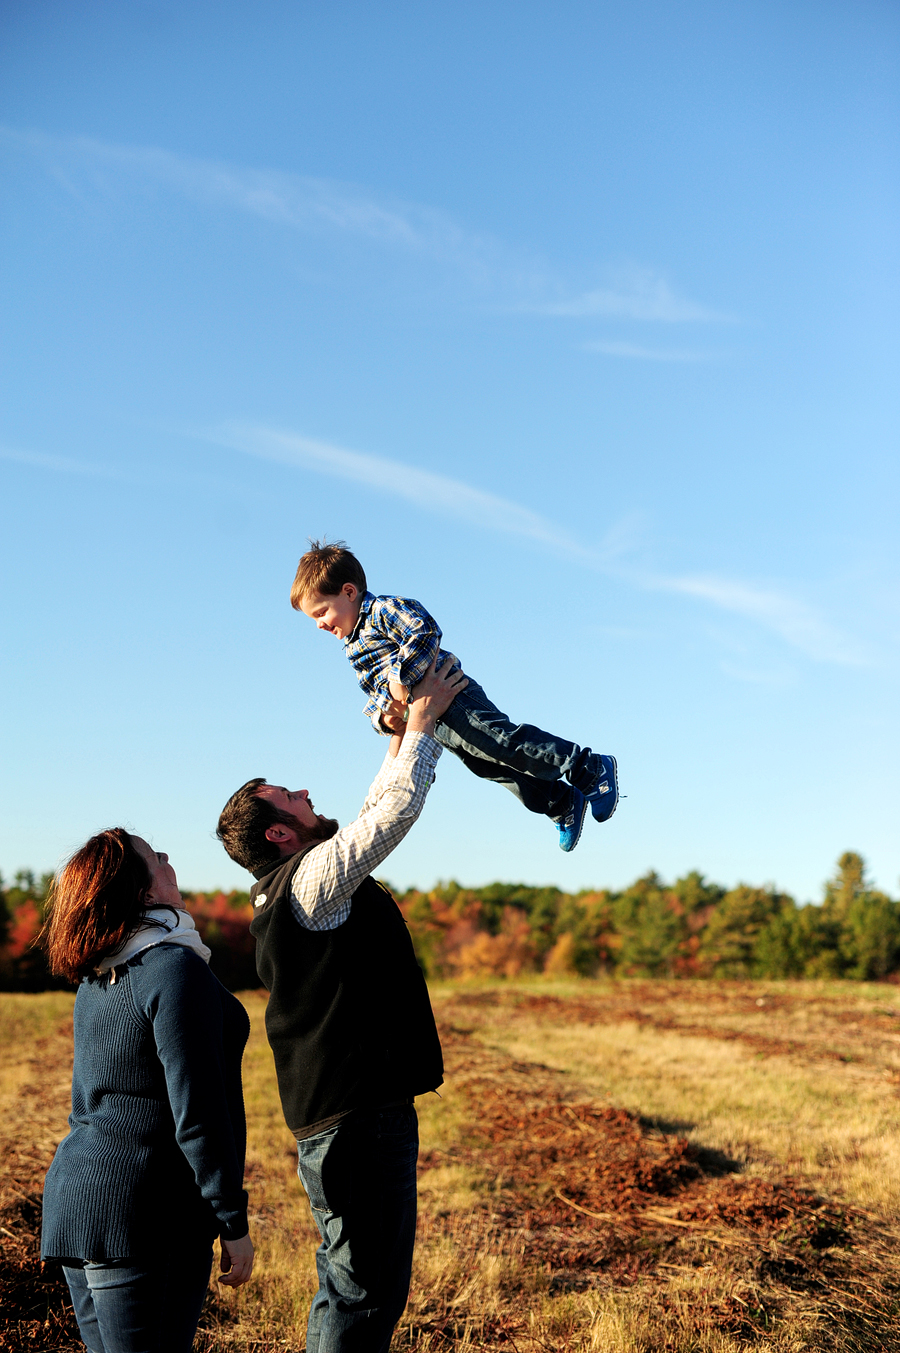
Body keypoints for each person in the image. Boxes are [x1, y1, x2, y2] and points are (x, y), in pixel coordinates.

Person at [215, 654, 467, 1353]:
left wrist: (397, 740)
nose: (303, 790)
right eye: (288, 796)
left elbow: (363, 820)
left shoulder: (292, 885)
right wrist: (423, 722)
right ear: (278, 833)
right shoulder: (309, 884)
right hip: (359, 1122)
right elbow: (392, 814)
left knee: (348, 1280)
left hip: (339, 1120)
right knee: (365, 1292)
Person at [40, 829, 254, 1353]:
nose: (167, 860)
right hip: (143, 1214)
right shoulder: (174, 970)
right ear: (143, 892)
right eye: (155, 858)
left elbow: (87, 1102)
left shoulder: (101, 974)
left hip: (80, 1199)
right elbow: (198, 1111)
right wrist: (232, 1220)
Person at [290, 539, 618, 853]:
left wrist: (398, 678)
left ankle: (587, 767)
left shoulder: (381, 610)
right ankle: (560, 802)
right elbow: (376, 693)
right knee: (490, 766)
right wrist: (383, 717)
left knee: (502, 741)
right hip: (433, 719)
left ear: (348, 592)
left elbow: (424, 630)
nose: (319, 624)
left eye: (321, 613)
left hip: (453, 695)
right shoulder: (353, 646)